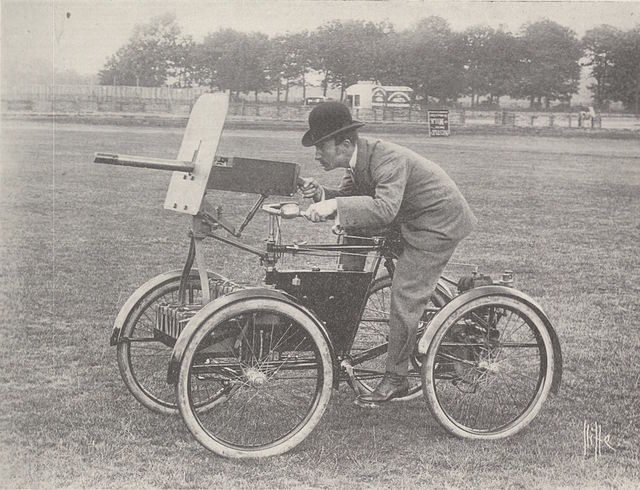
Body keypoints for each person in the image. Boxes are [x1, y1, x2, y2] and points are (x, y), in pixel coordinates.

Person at [298, 101, 477, 406]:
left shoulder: (387, 158)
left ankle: (397, 377)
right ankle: (348, 295)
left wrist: (335, 207)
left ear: (344, 144)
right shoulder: (357, 161)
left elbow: (383, 209)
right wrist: (324, 196)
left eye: (320, 146)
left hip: (437, 222)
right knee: (354, 232)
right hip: (409, 217)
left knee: (406, 294)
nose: (316, 154)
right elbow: (353, 201)